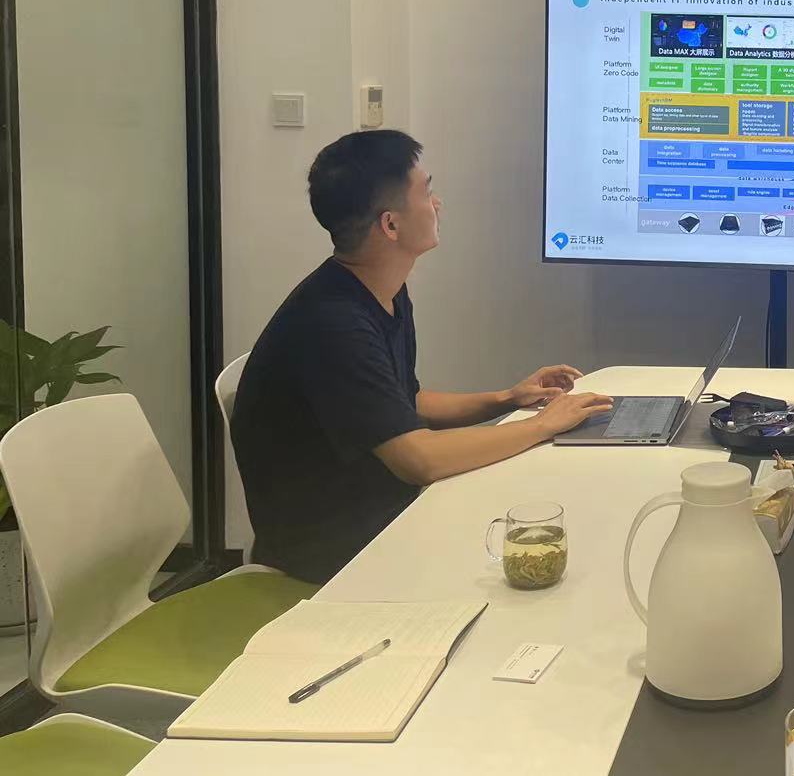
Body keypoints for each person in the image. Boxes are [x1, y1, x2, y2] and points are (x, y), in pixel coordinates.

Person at [232, 130, 613, 583]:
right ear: (391, 225)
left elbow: (403, 402)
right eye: (426, 192)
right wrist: (543, 425)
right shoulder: (333, 323)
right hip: (335, 555)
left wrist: (507, 398)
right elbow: (419, 460)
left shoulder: (381, 291)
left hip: (382, 517)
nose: (437, 204)